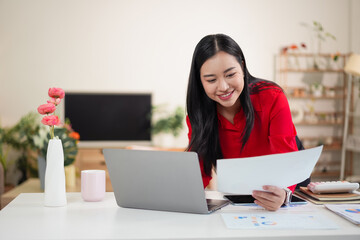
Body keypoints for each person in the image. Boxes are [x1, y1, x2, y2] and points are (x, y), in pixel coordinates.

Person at [185, 34, 298, 211]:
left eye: (230, 74)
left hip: (280, 192)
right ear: (200, 81)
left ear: (242, 67)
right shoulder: (198, 114)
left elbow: (287, 159)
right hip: (236, 198)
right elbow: (198, 168)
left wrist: (283, 193)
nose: (223, 87)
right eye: (211, 80)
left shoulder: (272, 96)